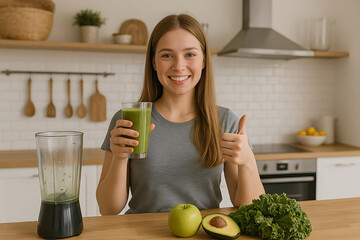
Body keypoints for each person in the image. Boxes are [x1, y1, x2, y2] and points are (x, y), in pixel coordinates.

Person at [96, 14, 264, 215]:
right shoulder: (129, 120)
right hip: (141, 233)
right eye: (167, 55)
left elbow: (248, 207)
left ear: (203, 60)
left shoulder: (225, 121)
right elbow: (108, 208)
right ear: (154, 62)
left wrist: (248, 162)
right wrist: (119, 157)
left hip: (202, 233)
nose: (178, 66)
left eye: (190, 54)